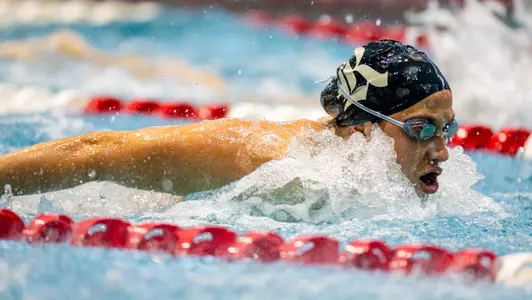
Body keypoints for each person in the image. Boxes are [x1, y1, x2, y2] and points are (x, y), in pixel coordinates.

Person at [0, 40, 457, 199]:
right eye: (422, 129)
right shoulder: (268, 159)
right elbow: (94, 153)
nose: (442, 151)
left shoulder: (399, 184)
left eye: (447, 129)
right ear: (360, 125)